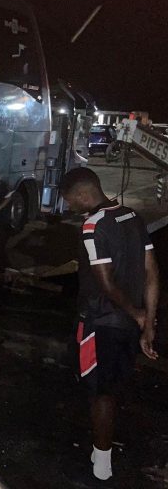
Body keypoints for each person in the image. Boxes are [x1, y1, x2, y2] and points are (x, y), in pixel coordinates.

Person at [60, 167, 159, 483]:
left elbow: (106, 283)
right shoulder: (132, 216)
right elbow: (153, 273)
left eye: (70, 200)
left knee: (100, 392)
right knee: (111, 387)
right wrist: (148, 321)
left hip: (99, 323)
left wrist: (136, 313)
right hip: (127, 326)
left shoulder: (92, 226)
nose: (69, 207)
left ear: (82, 194)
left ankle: (102, 463)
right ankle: (99, 451)